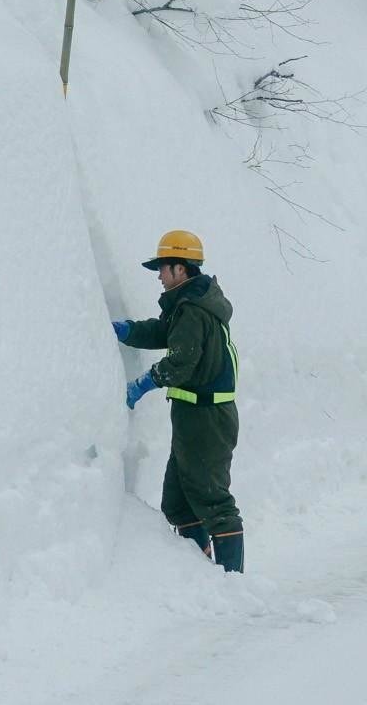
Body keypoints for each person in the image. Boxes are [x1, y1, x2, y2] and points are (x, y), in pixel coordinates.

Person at [112, 229, 244, 573]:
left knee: (214, 503)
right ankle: (199, 575)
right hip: (193, 418)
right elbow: (164, 333)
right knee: (178, 505)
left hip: (207, 417)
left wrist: (142, 384)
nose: (158, 274)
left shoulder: (193, 310)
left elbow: (182, 361)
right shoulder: (189, 305)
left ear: (181, 268)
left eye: (163, 267)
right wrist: (127, 330)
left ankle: (232, 581)